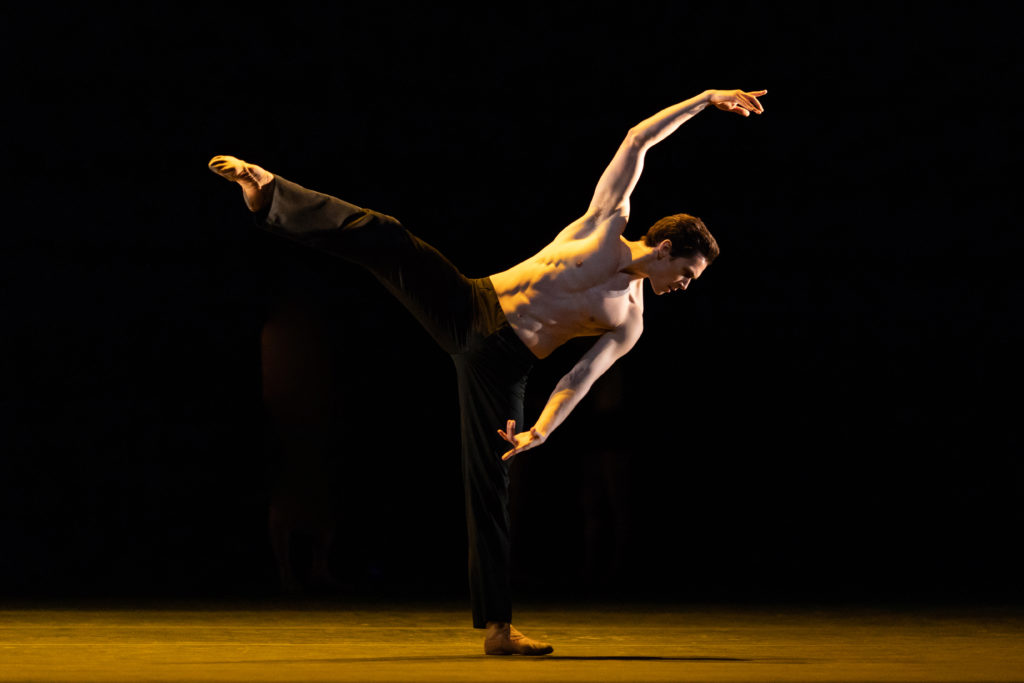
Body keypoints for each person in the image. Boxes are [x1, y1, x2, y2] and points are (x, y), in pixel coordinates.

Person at [209, 87, 766, 656]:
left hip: (503, 366)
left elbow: (579, 377)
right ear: (666, 246)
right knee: (389, 236)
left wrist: (540, 431)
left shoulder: (630, 320)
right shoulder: (603, 223)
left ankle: (498, 629)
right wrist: (705, 100)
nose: (685, 287)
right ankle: (270, 193)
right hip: (468, 304)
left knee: (491, 485)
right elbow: (638, 139)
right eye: (689, 273)